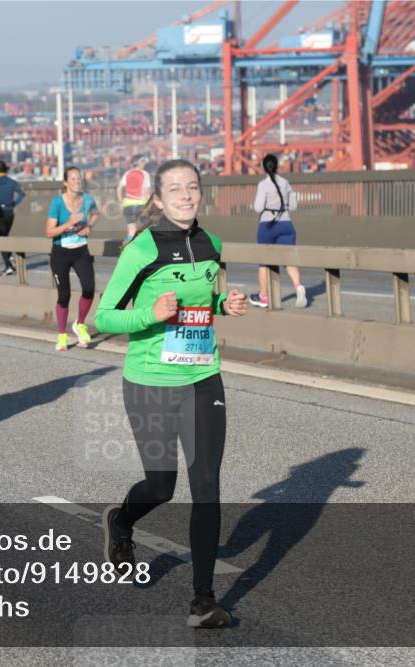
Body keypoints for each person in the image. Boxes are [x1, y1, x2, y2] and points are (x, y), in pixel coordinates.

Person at [94, 159, 248, 629]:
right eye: (175, 189)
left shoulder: (211, 244)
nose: (186, 195)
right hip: (149, 382)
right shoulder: (142, 249)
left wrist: (226, 303)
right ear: (158, 199)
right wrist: (149, 315)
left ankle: (203, 601)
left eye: (193, 187)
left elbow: (201, 303)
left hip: (202, 377)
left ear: (202, 194)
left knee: (206, 487)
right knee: (162, 485)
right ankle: (121, 521)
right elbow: (103, 317)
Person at [45, 166, 98, 351]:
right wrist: (68, 224)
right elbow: (49, 232)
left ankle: (80, 324)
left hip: (81, 250)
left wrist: (89, 226)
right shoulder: (57, 203)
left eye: (79, 178)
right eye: (73, 179)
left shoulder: (88, 199)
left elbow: (96, 214)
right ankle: (62, 336)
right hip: (61, 253)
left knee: (90, 289)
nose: (77, 181)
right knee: (64, 295)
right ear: (65, 182)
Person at [248, 154, 305, 309]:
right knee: (289, 260)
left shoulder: (263, 184)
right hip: (286, 224)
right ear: (277, 166)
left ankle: (263, 297)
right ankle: (298, 286)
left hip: (268, 225)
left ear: (264, 167)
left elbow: (258, 208)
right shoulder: (286, 183)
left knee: (264, 262)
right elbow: (293, 206)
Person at [0, 160, 26, 275]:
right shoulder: (12, 182)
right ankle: (9, 258)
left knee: (0, 238)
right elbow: (22, 194)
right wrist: (14, 203)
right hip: (10, 213)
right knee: (4, 236)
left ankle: (8, 265)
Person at [117, 155, 151, 240]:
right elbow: (147, 192)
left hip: (128, 206)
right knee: (143, 231)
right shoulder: (145, 174)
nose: (144, 163)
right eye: (143, 161)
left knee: (131, 232)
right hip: (141, 205)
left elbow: (119, 189)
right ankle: (143, 251)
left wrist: (121, 203)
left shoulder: (127, 173)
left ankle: (129, 250)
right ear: (138, 163)